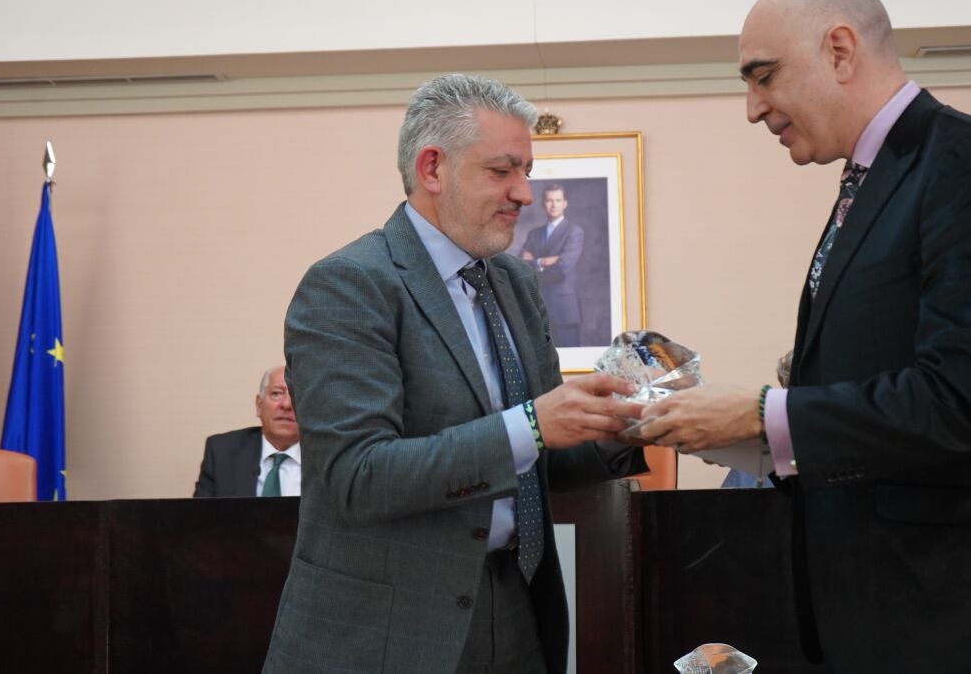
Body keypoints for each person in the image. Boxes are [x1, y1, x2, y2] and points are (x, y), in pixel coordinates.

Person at [637, 0, 971, 671]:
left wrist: (761, 412)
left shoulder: (970, 162)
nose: (753, 109)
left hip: (949, 609)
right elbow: (865, 387)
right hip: (875, 605)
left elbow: (964, 403)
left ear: (840, 51)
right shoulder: (870, 181)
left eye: (763, 76)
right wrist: (739, 435)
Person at [263, 73, 646, 674]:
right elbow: (357, 476)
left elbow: (535, 456)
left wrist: (616, 430)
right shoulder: (350, 283)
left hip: (517, 608)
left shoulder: (515, 282)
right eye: (502, 171)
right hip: (388, 631)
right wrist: (532, 424)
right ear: (432, 168)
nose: (524, 193)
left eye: (527, 171)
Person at [193, 365, 300, 498]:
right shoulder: (222, 452)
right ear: (259, 405)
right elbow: (200, 511)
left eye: (297, 395)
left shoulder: (323, 459)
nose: (286, 404)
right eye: (276, 394)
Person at [518, 183, 584, 346]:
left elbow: (562, 269)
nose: (554, 205)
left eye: (558, 200)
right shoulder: (534, 234)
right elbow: (520, 266)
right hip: (538, 308)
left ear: (565, 203)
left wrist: (533, 263)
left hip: (564, 310)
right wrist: (542, 261)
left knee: (569, 357)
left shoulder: (574, 232)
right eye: (549, 200)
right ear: (543, 203)